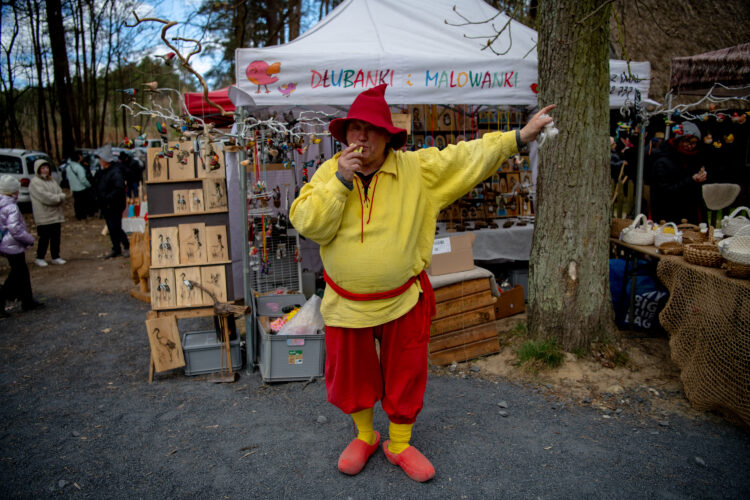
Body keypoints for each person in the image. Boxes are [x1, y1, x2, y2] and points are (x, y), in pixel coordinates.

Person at [289, 84, 554, 482]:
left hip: (402, 299)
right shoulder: (329, 172)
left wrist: (519, 137)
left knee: (406, 372)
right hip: (346, 304)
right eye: (356, 129)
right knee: (352, 375)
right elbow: (310, 225)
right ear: (345, 135)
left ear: (388, 137)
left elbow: (467, 156)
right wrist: (341, 181)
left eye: (372, 130)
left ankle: (399, 443)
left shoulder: (417, 170)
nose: (362, 138)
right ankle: (365, 436)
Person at [0, 175, 44, 316]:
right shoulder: (11, 206)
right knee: (18, 273)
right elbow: (15, 229)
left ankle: (27, 299)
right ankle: (5, 298)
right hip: (12, 244)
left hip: (4, 243)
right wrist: (29, 239)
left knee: (21, 272)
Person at [650, 122, 708, 224]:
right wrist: (691, 180)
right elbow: (664, 191)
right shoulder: (663, 161)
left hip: (691, 213)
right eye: (686, 142)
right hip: (669, 214)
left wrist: (702, 177)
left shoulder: (695, 158)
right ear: (678, 140)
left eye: (694, 143)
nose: (690, 146)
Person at [29, 159, 66, 266]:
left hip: (56, 214)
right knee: (44, 238)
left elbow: (60, 192)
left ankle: (56, 256)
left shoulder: (52, 180)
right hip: (44, 215)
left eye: (47, 167)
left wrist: (59, 197)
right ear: (38, 169)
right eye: (43, 168)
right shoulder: (35, 182)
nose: (45, 170)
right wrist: (59, 198)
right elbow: (46, 197)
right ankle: (40, 257)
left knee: (56, 237)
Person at [95, 145, 129, 259]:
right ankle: (116, 248)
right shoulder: (102, 172)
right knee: (111, 227)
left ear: (106, 160)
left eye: (101, 159)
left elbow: (119, 189)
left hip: (115, 205)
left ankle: (126, 246)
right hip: (106, 205)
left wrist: (107, 197)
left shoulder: (115, 172)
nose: (99, 161)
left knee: (116, 227)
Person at [66, 151, 96, 220]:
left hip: (74, 188)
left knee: (77, 202)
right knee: (83, 202)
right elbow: (83, 179)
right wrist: (89, 185)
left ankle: (78, 215)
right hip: (81, 188)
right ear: (79, 157)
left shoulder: (68, 167)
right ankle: (83, 215)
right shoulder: (79, 167)